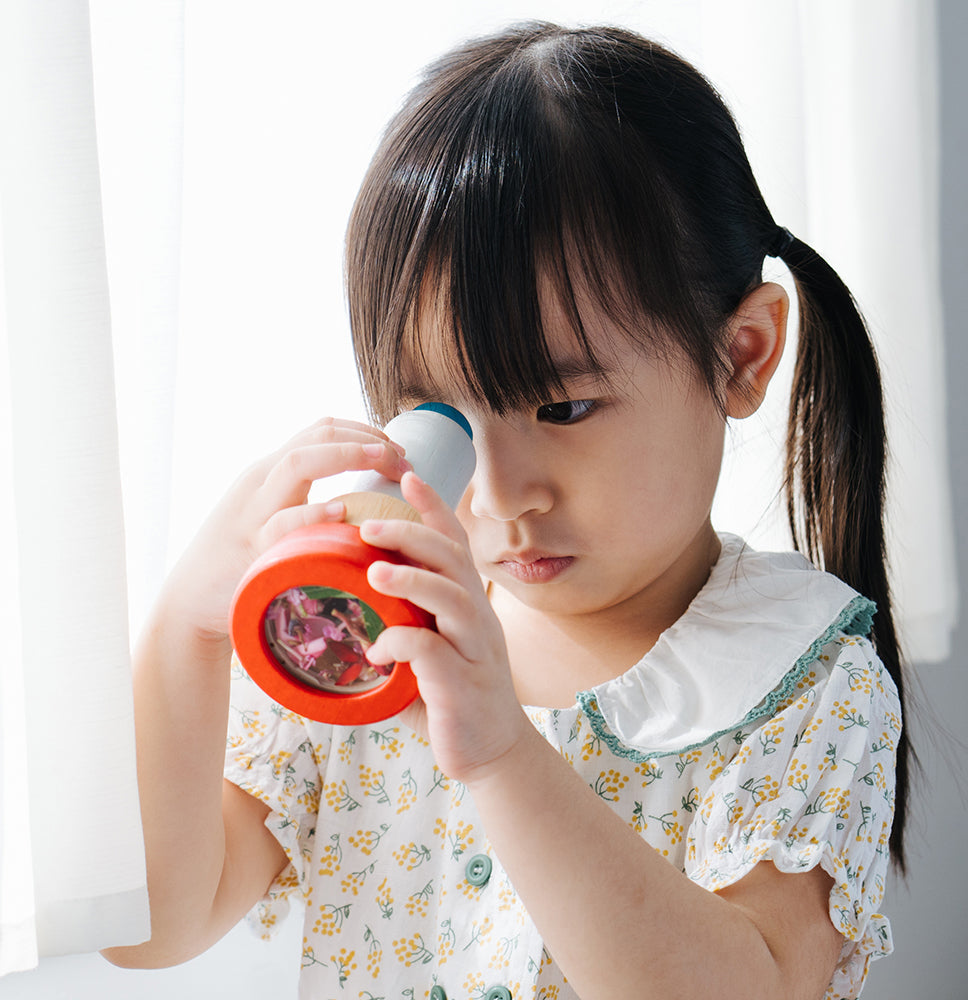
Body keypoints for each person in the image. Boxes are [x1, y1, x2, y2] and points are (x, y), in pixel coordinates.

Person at [104, 21, 908, 1000]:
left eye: (561, 407)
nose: (499, 492)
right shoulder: (368, 639)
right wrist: (186, 628)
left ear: (739, 357)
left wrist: (499, 753)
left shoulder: (798, 673)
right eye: (440, 418)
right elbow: (151, 924)